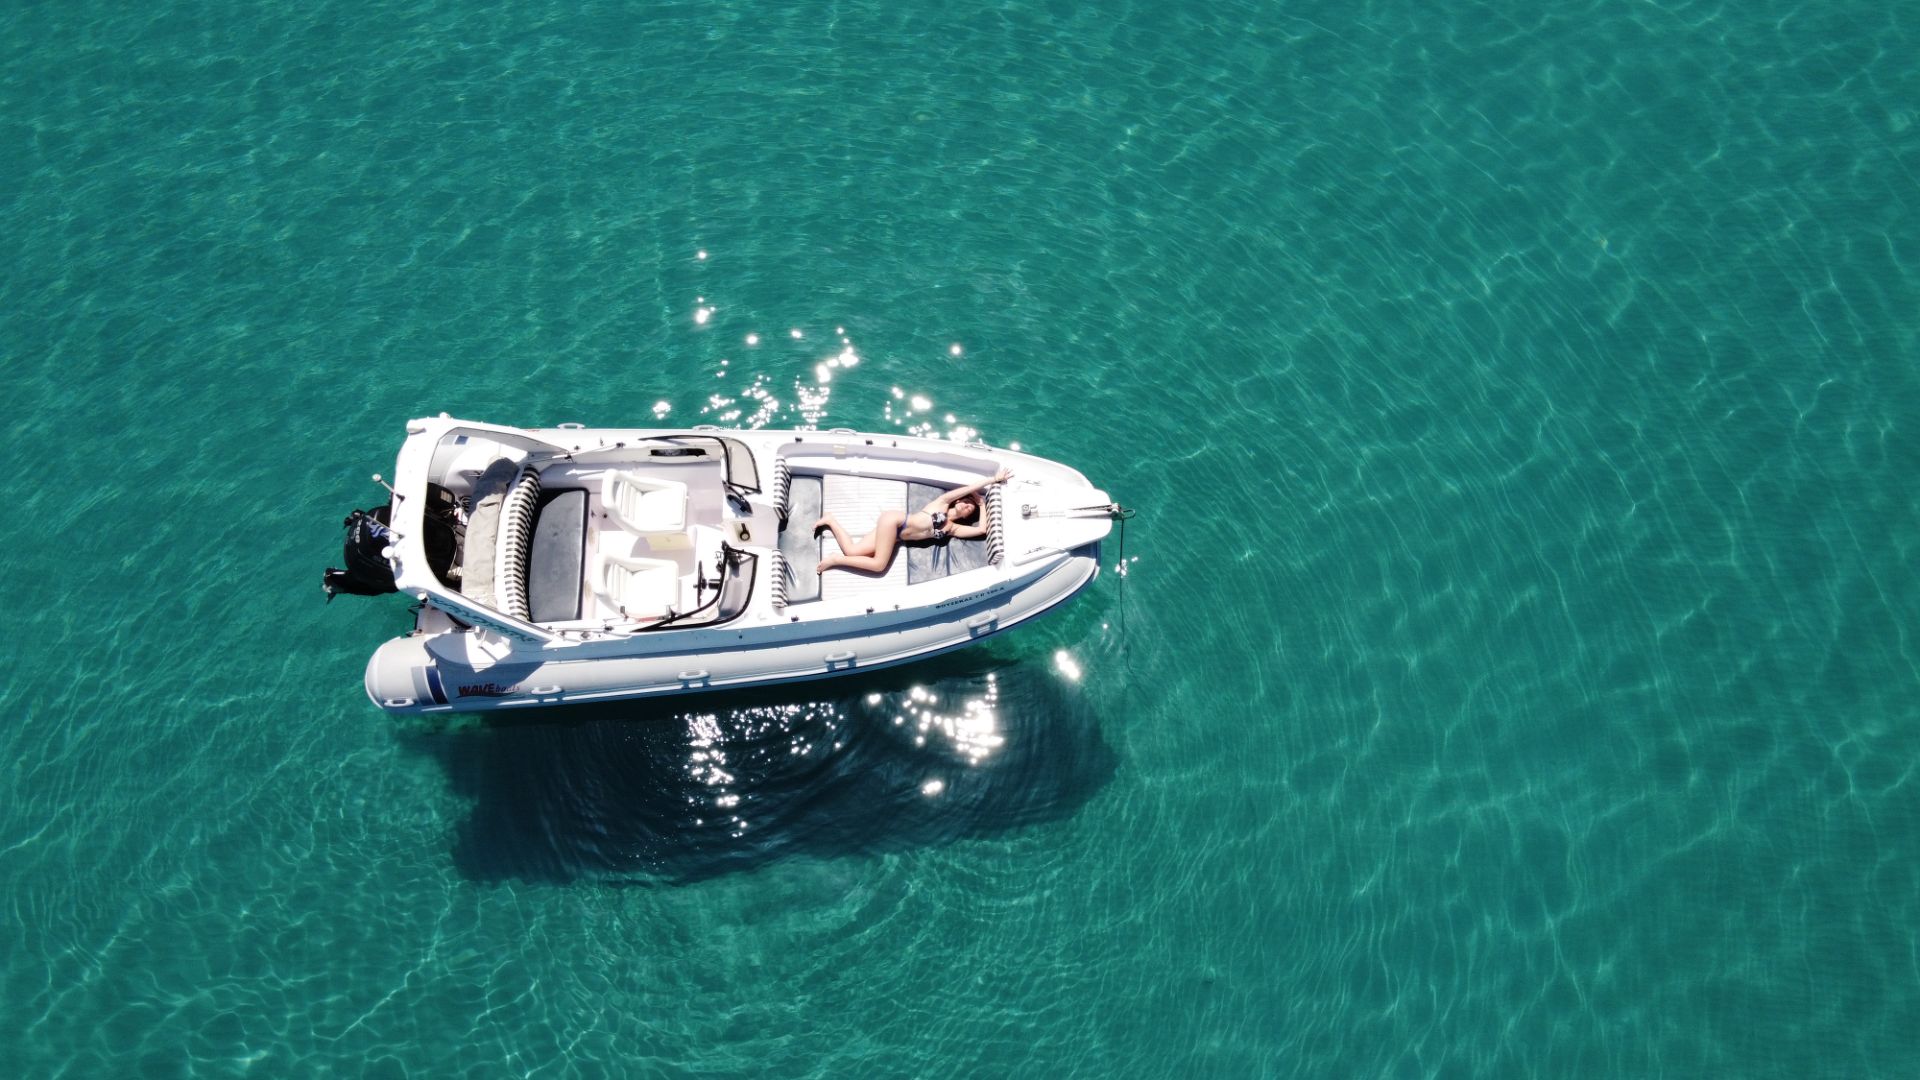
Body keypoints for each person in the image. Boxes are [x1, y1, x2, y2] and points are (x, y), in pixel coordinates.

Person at [815, 468, 1011, 574]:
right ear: (958, 501)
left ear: (968, 517)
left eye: (970, 509)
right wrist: (993, 479)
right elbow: (970, 488)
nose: (968, 507)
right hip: (894, 521)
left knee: (853, 551)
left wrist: (983, 505)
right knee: (878, 565)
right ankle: (835, 560)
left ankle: (830, 520)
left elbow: (982, 530)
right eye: (968, 503)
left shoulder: (953, 529)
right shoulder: (942, 503)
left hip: (897, 536)